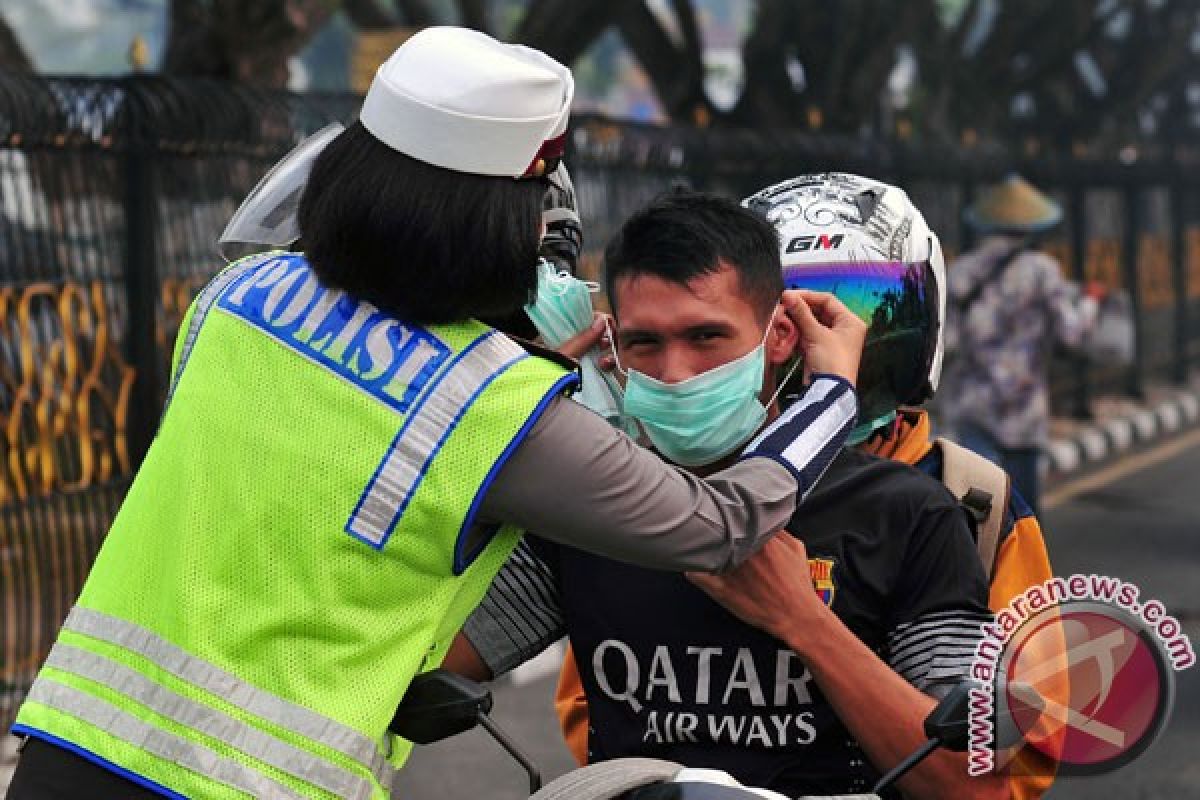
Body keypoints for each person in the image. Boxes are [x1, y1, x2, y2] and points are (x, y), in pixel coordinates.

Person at [4, 29, 868, 800]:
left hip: (70, 745)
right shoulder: (497, 403)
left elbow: (320, 450)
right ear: (497, 223)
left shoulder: (237, 296)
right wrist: (832, 390)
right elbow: (717, 524)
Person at [450, 187, 1007, 799]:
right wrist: (498, 437)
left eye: (706, 337)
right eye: (646, 343)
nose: (677, 372)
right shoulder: (584, 510)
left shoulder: (906, 513)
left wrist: (800, 619)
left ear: (780, 337)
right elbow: (430, 664)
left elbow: (968, 782)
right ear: (612, 349)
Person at [938, 174, 1102, 515]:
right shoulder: (1043, 271)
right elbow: (1072, 335)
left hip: (972, 408)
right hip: (1023, 413)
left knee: (978, 518)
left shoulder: (962, 272)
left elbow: (947, 343)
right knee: (1022, 520)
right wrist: (1090, 303)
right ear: (1032, 226)